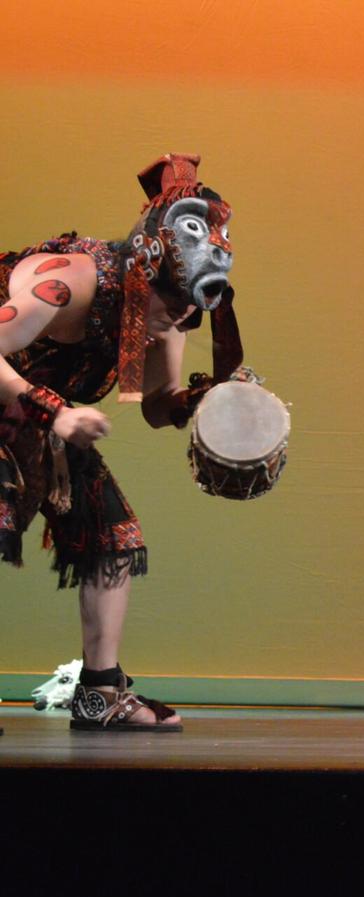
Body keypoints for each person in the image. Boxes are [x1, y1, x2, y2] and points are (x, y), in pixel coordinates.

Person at [2, 153, 242, 732]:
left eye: (192, 310)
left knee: (111, 537)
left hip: (41, 417)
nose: (183, 319)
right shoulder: (63, 282)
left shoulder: (168, 313)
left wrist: (200, 406)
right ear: (144, 274)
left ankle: (100, 693)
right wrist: (55, 411)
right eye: (175, 304)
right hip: (19, 402)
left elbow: (159, 406)